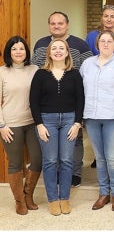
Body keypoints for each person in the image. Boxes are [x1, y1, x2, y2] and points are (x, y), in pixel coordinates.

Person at [32, 11, 92, 187]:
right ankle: (57, 174)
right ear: (49, 25)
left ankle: (75, 173)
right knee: (52, 141)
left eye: (60, 23)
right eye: (53, 23)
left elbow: (87, 71)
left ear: (67, 24)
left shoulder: (80, 45)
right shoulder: (41, 44)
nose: (56, 26)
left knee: (75, 139)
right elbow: (35, 69)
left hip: (72, 97)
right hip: (48, 102)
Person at [80, 30, 114, 212]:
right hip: (91, 118)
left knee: (112, 159)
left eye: (109, 41)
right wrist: (80, 116)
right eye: (102, 41)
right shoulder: (87, 64)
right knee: (100, 158)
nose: (105, 44)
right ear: (97, 44)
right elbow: (81, 91)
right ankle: (103, 193)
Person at [29, 38, 85, 215]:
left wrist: (77, 123)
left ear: (68, 52)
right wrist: (39, 124)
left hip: (70, 120)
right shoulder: (40, 74)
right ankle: (53, 199)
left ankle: (64, 198)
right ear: (49, 53)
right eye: (55, 48)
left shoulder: (75, 74)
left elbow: (80, 100)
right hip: (47, 121)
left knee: (67, 160)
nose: (58, 51)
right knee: (51, 160)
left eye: (62, 48)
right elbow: (34, 101)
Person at [0, 36, 41, 215]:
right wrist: (1, 125)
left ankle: (28, 195)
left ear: (27, 51)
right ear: (9, 52)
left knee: (38, 160)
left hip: (33, 123)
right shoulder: (2, 72)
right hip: (11, 124)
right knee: (15, 164)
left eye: (22, 49)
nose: (18, 52)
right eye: (14, 49)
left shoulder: (35, 70)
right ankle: (19, 201)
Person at [85, 5, 114, 169]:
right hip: (96, 83)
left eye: (112, 16)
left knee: (113, 133)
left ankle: (112, 158)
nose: (109, 19)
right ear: (101, 18)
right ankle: (99, 157)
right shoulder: (91, 36)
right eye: (106, 16)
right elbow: (87, 58)